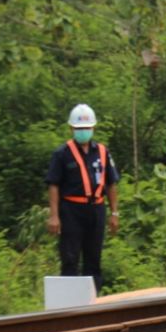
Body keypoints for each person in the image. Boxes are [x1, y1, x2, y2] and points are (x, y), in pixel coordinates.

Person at [45, 103, 120, 292]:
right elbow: (53, 184)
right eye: (79, 128)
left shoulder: (102, 152)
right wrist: (54, 215)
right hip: (71, 211)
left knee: (93, 259)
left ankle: (92, 303)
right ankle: (69, 306)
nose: (83, 132)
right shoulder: (62, 154)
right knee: (70, 258)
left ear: (93, 128)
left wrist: (114, 213)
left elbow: (111, 183)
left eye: (87, 128)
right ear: (72, 128)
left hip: (96, 210)